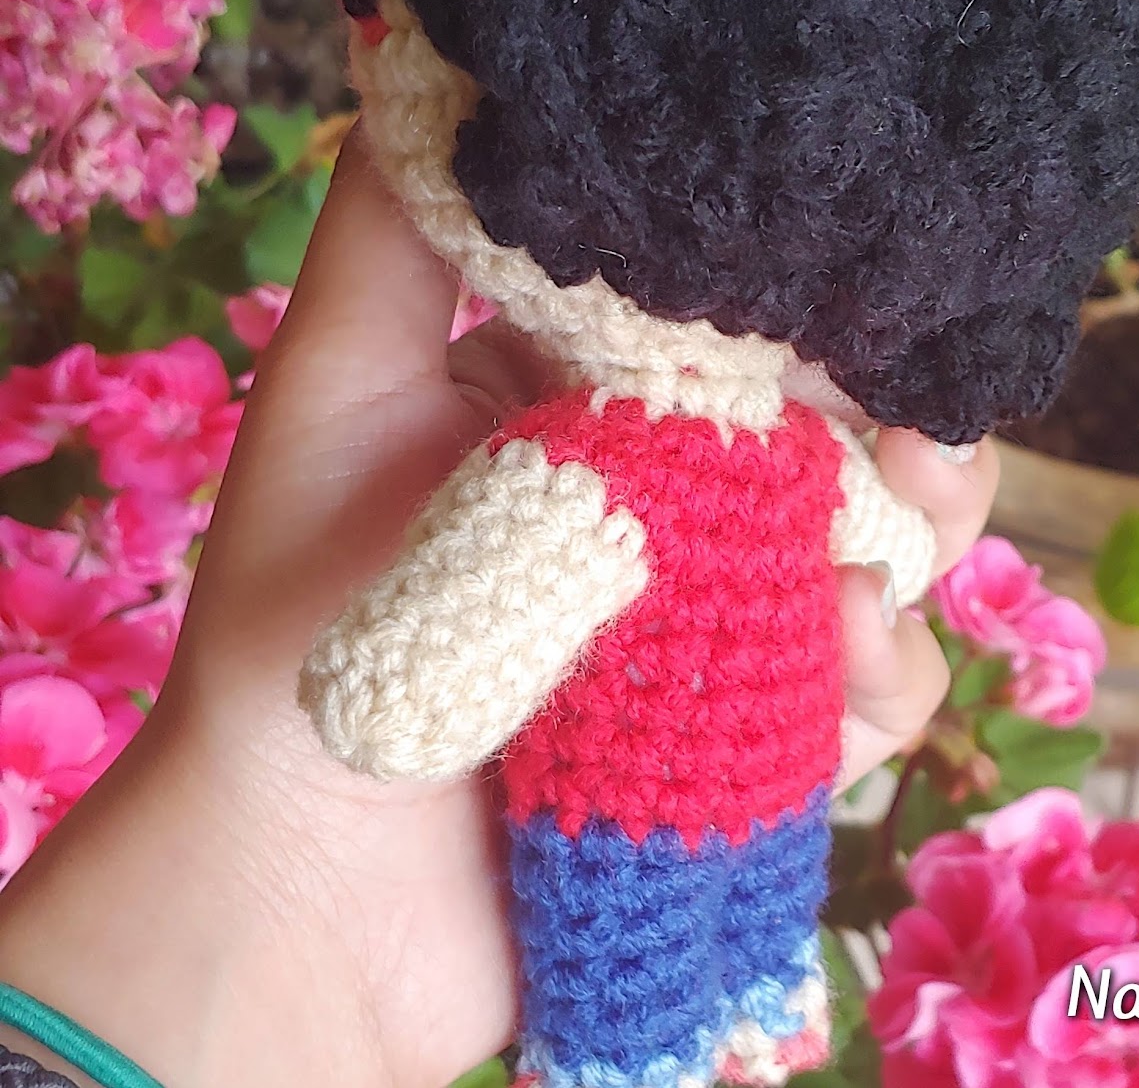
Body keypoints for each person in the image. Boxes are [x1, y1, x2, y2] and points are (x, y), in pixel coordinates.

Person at [0, 133, 999, 1088]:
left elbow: (883, 538)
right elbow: (448, 643)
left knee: (750, 909)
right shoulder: (620, 460)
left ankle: (755, 1008)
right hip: (647, 784)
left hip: (761, 764)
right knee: (639, 943)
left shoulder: (725, 453)